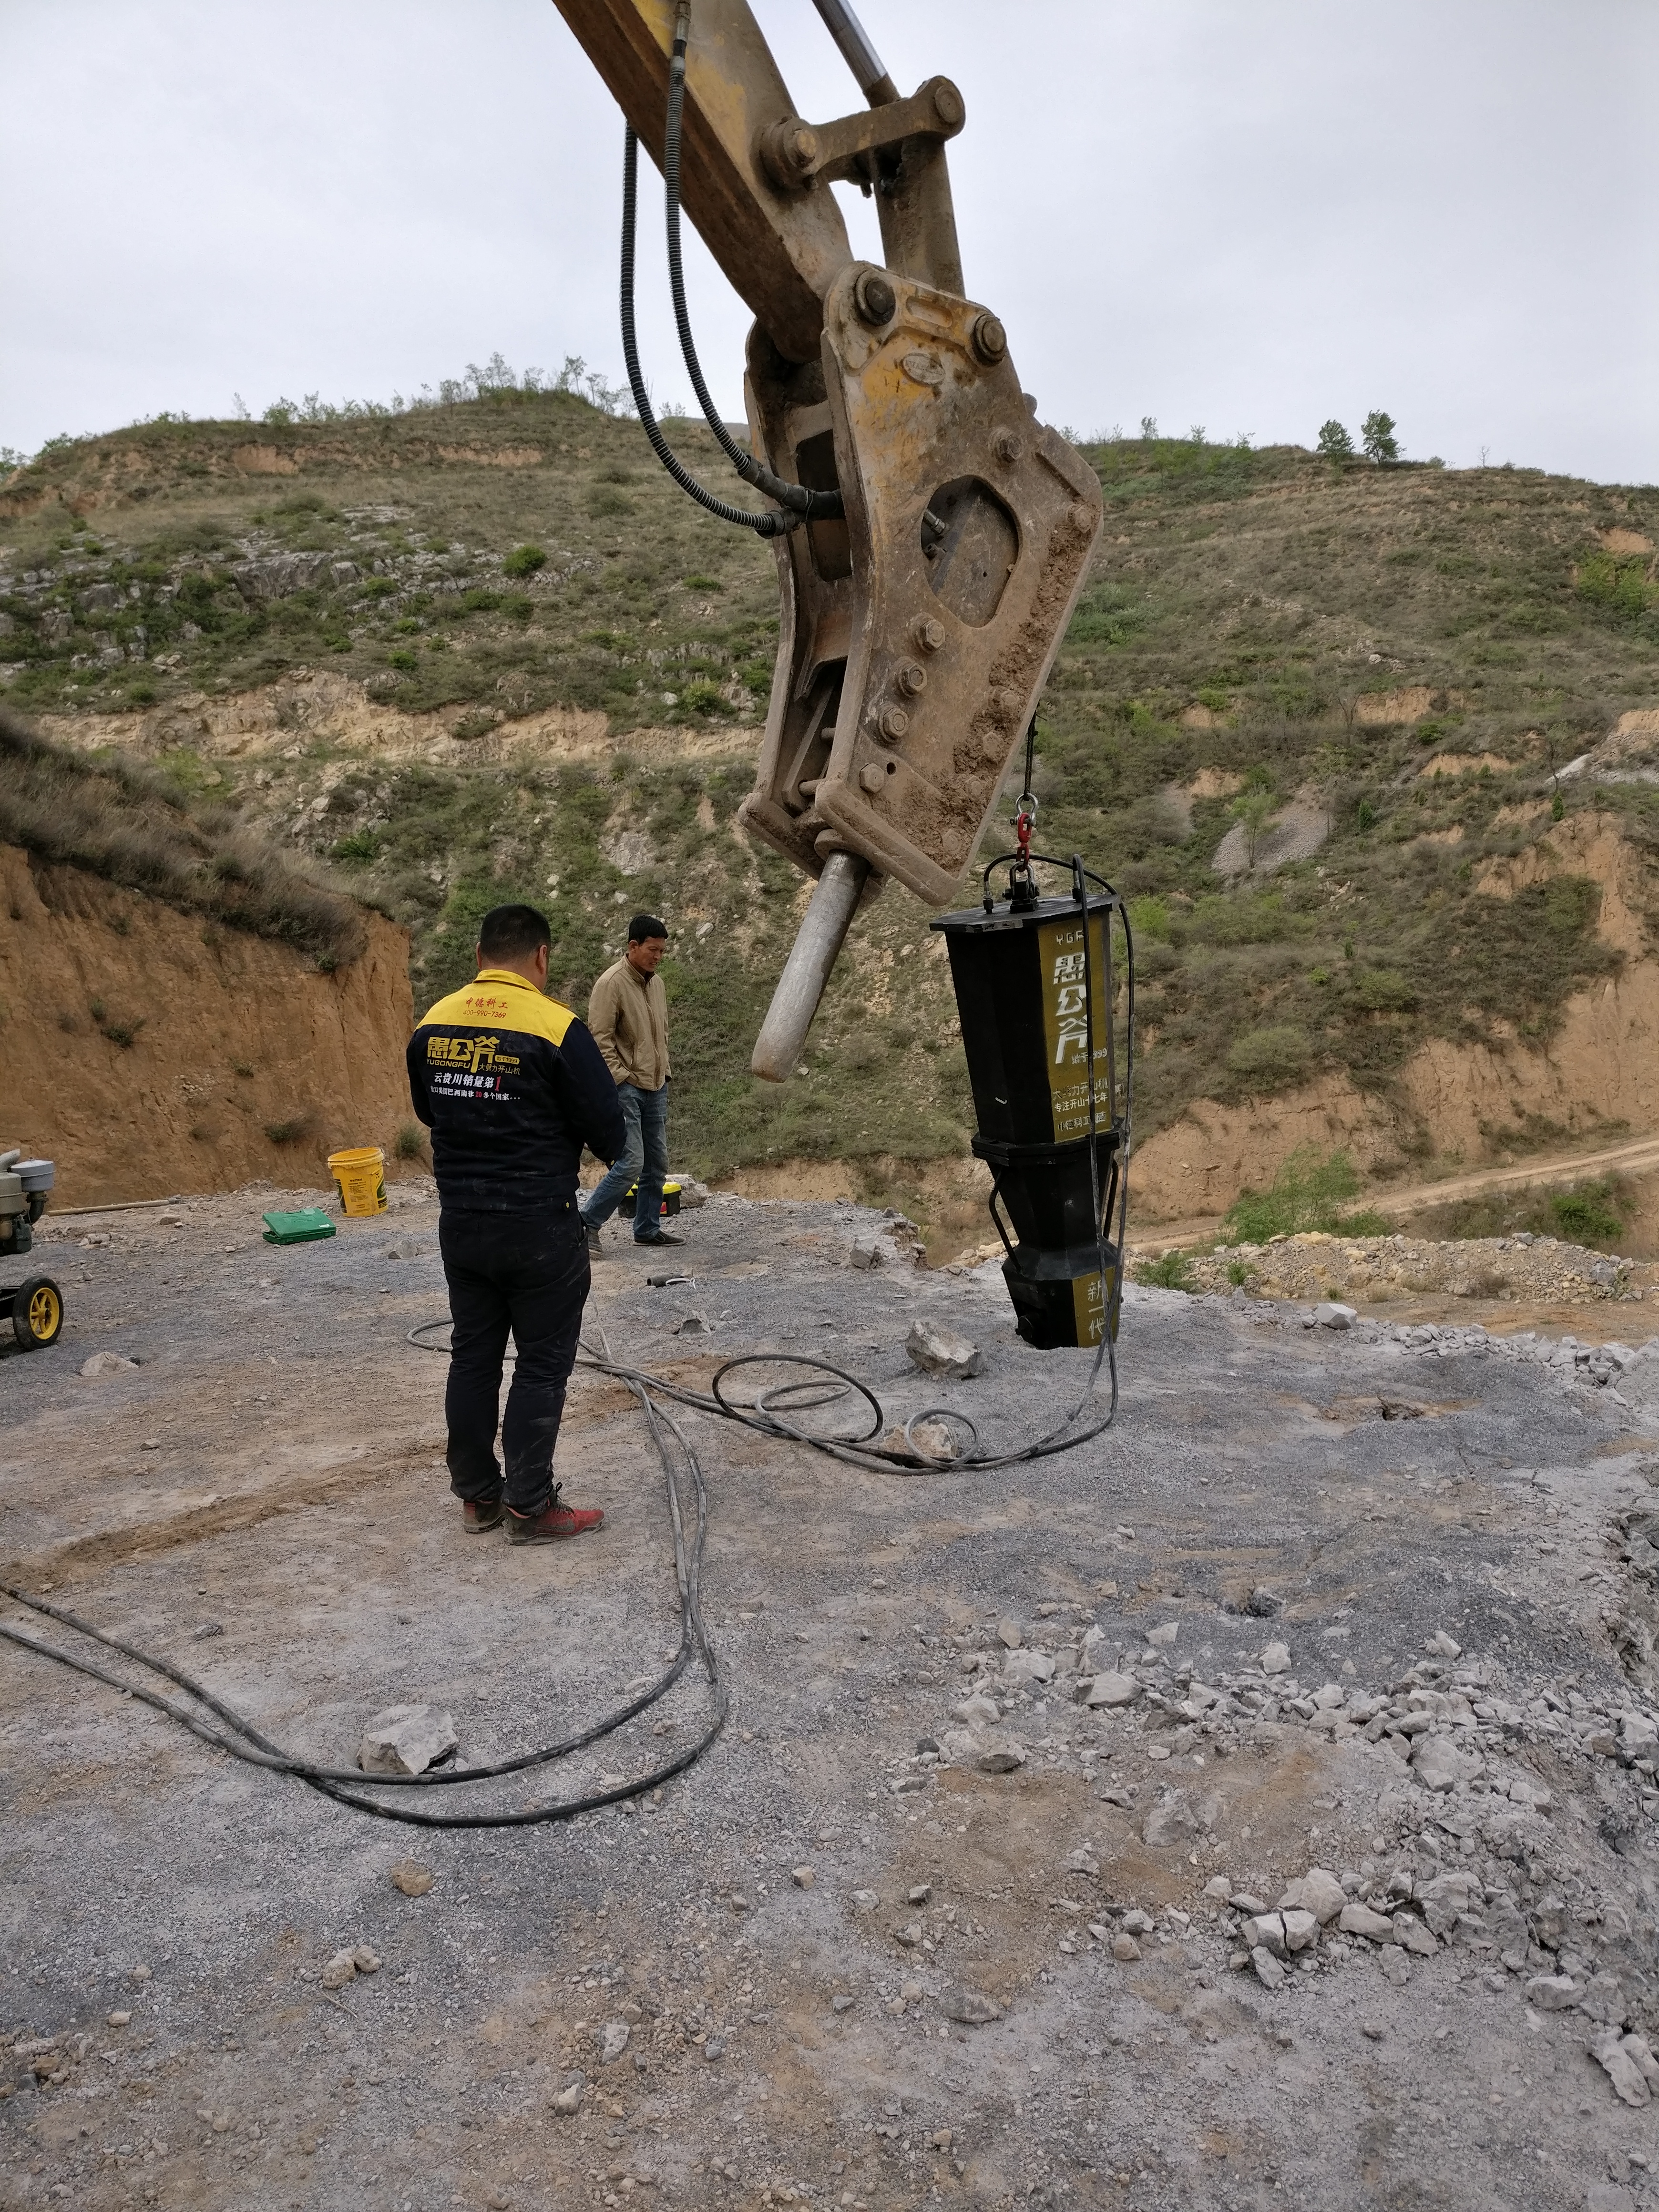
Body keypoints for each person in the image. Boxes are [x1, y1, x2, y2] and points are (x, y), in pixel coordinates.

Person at [407, 903, 625, 1544]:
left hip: (464, 1225)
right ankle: (531, 1504)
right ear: (541, 959)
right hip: (538, 1226)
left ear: (478, 958)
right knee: (539, 1364)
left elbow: (430, 1112)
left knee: (473, 1356)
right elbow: (611, 1134)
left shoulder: (432, 1025)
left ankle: (479, 1498)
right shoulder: (557, 1028)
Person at [579, 912, 682, 1251]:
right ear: (633, 946)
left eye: (662, 952)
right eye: (653, 950)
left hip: (656, 1085)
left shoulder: (658, 983)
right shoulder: (611, 984)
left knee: (658, 1163)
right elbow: (600, 1039)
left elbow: (661, 1034)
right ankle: (586, 1224)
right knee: (632, 1162)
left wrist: (663, 1071)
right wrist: (620, 1080)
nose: (658, 957)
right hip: (627, 1088)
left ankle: (647, 1228)